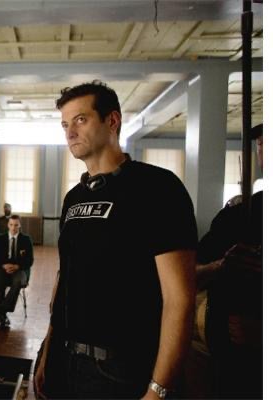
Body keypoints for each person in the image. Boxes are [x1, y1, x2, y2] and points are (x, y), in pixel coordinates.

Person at [34, 81, 197, 399]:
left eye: (80, 120)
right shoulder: (74, 198)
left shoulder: (158, 188)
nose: (70, 133)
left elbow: (179, 299)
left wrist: (158, 389)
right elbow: (64, 280)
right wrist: (47, 350)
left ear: (112, 121)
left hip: (119, 371)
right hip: (65, 361)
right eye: (65, 125)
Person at [195, 124, 263, 398]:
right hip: (234, 371)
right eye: (262, 142)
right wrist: (219, 267)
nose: (263, 148)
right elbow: (190, 276)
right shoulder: (238, 216)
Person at [0, 215, 33, 328]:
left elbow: (30, 260)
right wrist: (4, 265)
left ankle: (1, 311)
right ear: (8, 225)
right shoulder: (1, 239)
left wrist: (17, 266)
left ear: (20, 225)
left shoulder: (26, 240)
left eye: (16, 225)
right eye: (11, 225)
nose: (13, 228)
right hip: (4, 268)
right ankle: (2, 314)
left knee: (18, 281)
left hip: (20, 269)